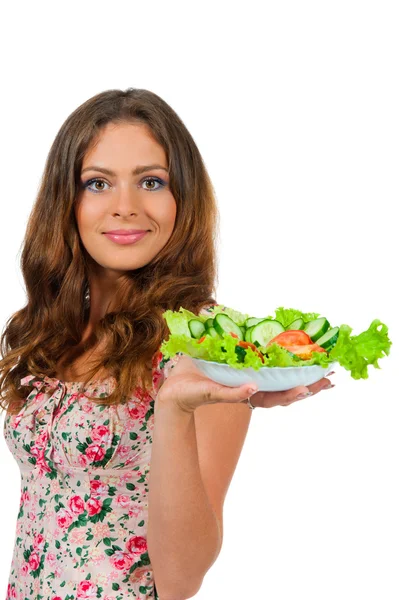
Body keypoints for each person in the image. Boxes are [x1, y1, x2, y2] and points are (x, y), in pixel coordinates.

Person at [0, 88, 334, 600]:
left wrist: (174, 407)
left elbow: (180, 578)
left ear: (183, 198)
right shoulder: (41, 333)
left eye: (151, 182)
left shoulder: (212, 342)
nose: (126, 207)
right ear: (66, 201)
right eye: (98, 184)